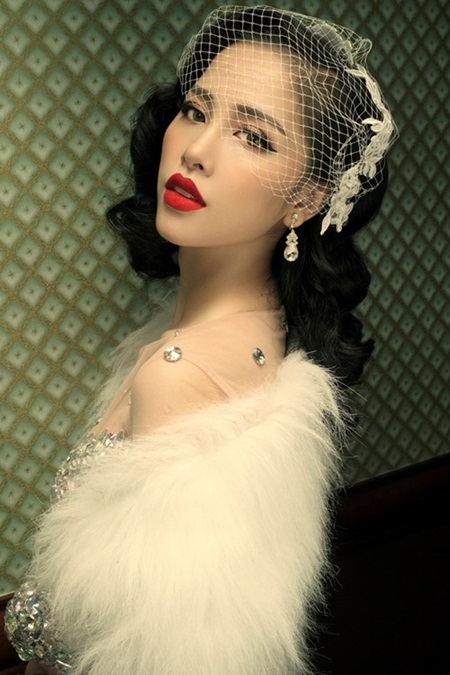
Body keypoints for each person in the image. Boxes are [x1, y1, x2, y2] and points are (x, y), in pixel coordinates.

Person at [5, 6, 396, 674]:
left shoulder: (181, 372)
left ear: (306, 200)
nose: (196, 150)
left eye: (254, 136)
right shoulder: (256, 334)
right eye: (196, 110)